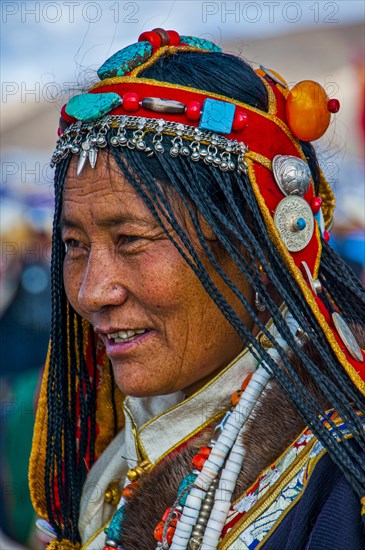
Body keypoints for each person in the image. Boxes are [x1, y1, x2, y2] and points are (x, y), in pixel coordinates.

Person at [29, 29, 365, 550]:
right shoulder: (105, 461)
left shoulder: (343, 487)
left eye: (132, 240)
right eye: (74, 244)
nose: (93, 291)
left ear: (259, 245)